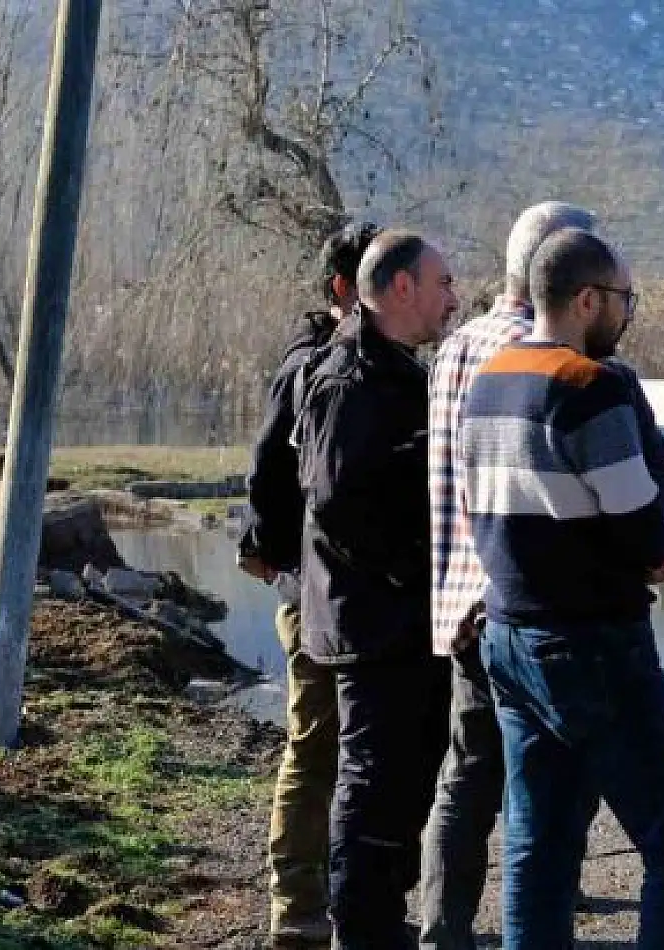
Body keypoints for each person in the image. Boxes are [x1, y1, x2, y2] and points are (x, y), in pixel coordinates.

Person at [421, 203, 664, 950]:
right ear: (587, 300)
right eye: (625, 300)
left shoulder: (488, 378)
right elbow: (638, 520)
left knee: (540, 844)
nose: (628, 316)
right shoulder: (587, 384)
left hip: (508, 634)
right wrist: (658, 551)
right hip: (593, 641)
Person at [420, 200, 596, 950]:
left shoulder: (456, 347)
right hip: (534, 601)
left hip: (462, 596)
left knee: (466, 777)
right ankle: (542, 917)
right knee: (552, 779)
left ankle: (443, 928)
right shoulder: (555, 353)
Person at [293, 229, 461, 949]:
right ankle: (361, 933)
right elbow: (334, 498)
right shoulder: (350, 377)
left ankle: (380, 917)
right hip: (372, 620)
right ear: (400, 289)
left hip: (402, 618)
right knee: (371, 784)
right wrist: (407, 566)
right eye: (442, 284)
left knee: (406, 778)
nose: (453, 299)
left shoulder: (398, 369)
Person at [237, 221, 378, 947]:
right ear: (343, 289)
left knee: (346, 745)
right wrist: (266, 549)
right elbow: (265, 467)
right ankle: (295, 908)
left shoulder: (368, 360)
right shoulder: (312, 366)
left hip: (344, 591)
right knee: (315, 742)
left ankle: (332, 894)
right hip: (311, 590)